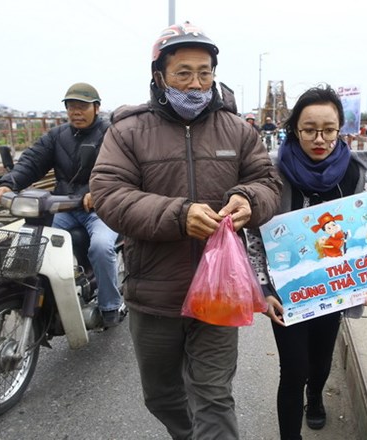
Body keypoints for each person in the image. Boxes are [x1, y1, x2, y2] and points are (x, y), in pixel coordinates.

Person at [89, 22, 282, 440]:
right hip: (156, 291)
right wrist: (178, 215)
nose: (195, 84)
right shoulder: (127, 131)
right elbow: (108, 193)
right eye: (183, 73)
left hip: (221, 292)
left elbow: (269, 183)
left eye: (204, 72)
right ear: (159, 76)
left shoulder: (238, 130)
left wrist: (250, 199)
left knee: (213, 395)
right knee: (161, 395)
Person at [245, 85, 367, 440]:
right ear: (294, 128)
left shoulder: (356, 174)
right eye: (309, 129)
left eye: (328, 129)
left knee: (320, 362)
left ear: (342, 129)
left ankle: (317, 395)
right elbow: (255, 235)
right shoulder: (272, 174)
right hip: (286, 292)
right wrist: (263, 288)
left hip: (334, 288)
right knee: (293, 369)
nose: (319, 138)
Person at [0, 82, 123, 327]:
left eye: (82, 106)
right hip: (64, 207)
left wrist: (98, 191)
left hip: (100, 208)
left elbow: (119, 168)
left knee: (101, 247)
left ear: (97, 108)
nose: (76, 111)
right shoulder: (57, 136)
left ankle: (110, 305)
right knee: (32, 238)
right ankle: (41, 292)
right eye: (71, 106)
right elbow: (32, 161)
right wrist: (8, 184)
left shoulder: (111, 134)